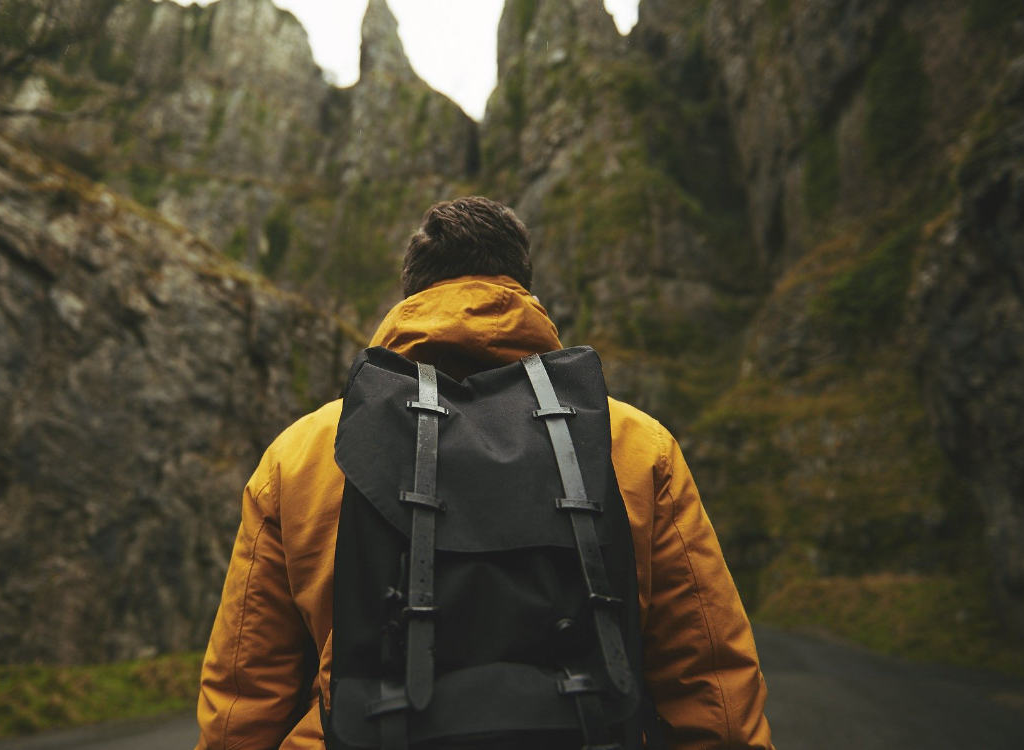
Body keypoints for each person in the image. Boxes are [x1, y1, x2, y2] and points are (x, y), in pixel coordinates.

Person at [194, 197, 774, 750]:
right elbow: (711, 686)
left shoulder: (303, 454)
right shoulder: (636, 445)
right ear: (522, 290)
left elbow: (242, 705)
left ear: (410, 295)